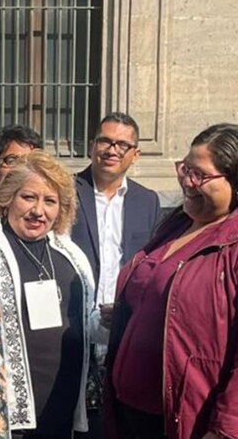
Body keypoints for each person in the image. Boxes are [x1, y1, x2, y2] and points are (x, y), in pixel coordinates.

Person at [104, 123, 238, 439]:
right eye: (185, 169)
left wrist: (225, 429)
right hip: (127, 412)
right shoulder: (175, 225)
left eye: (200, 175)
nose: (187, 182)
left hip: (183, 421)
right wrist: (129, 311)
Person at [70, 112, 161, 438]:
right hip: (74, 327)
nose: (113, 149)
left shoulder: (147, 201)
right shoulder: (67, 191)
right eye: (106, 141)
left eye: (123, 144)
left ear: (135, 154)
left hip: (123, 331)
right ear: (93, 145)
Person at [0, 150, 94, 438]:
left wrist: (109, 322)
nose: (39, 211)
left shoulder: (71, 255)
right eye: (29, 197)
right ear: (8, 198)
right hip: (11, 413)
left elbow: (85, 324)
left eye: (50, 201)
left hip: (61, 406)